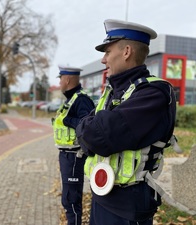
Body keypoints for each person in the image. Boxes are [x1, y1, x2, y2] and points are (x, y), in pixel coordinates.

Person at [76, 19, 177, 225]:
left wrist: (89, 130)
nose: (104, 60)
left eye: (107, 52)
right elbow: (84, 128)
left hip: (128, 208)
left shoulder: (152, 94)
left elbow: (98, 137)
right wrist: (88, 129)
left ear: (126, 51)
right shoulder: (113, 91)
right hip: (101, 197)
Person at [52, 65, 95, 225]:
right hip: (67, 156)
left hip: (75, 157)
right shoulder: (71, 99)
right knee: (69, 199)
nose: (60, 83)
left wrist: (67, 120)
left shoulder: (81, 100)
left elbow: (89, 127)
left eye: (61, 79)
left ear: (67, 79)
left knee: (71, 200)